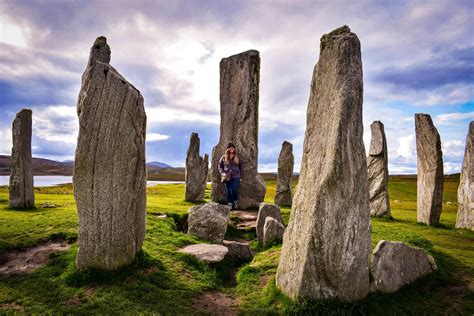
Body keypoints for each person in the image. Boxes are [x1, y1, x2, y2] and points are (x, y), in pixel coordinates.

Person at [218, 142, 242, 209]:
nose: (231, 149)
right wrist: (222, 172)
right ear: (227, 149)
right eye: (230, 148)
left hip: (236, 175)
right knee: (228, 190)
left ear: (234, 149)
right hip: (226, 176)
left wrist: (240, 176)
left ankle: (235, 201)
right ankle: (230, 204)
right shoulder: (224, 157)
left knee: (234, 189)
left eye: (232, 148)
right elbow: (220, 166)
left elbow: (240, 167)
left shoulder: (237, 157)